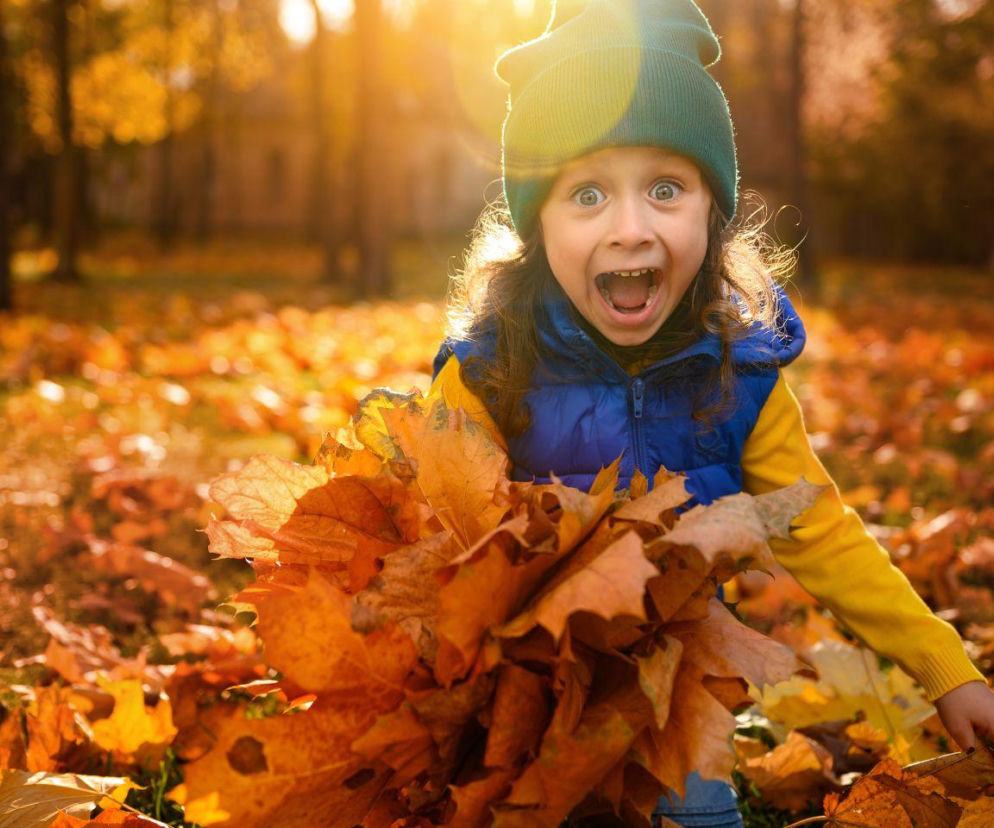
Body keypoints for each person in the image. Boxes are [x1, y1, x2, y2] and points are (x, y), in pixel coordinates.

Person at [428, 0, 994, 825]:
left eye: (666, 188)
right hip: (521, 687)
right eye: (586, 193)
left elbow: (819, 530)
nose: (630, 228)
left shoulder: (741, 375)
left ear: (712, 210)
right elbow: (428, 548)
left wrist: (947, 665)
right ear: (536, 223)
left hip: (677, 685)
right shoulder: (487, 372)